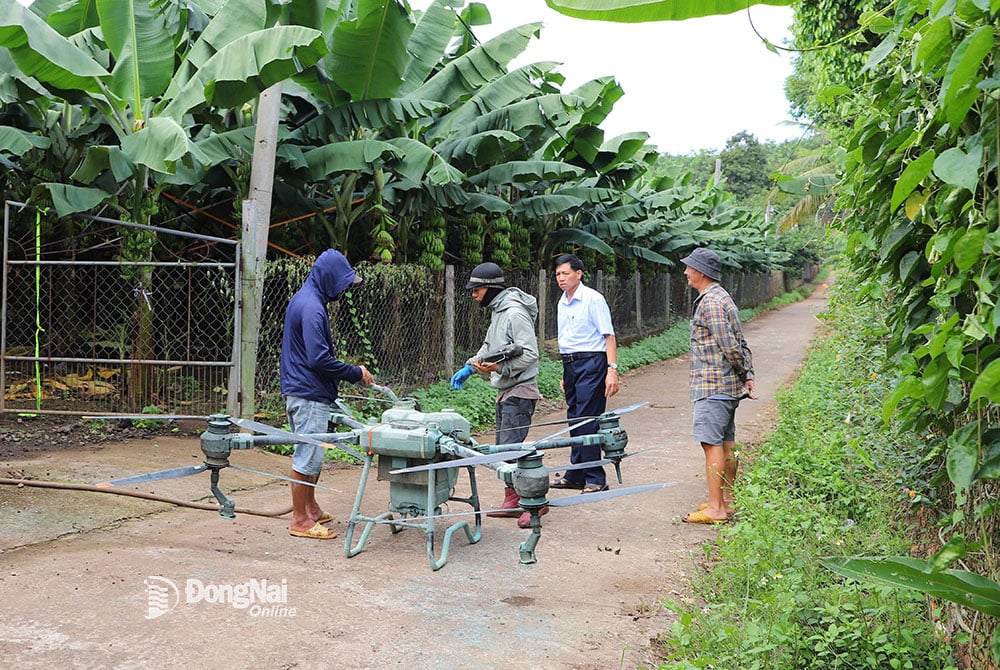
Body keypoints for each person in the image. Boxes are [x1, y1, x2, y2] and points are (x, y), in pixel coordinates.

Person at [280, 249, 374, 539]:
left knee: (315, 453)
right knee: (307, 455)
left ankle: (311, 508)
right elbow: (318, 359)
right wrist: (355, 373)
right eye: (342, 282)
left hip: (310, 390)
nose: (344, 289)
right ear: (328, 278)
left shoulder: (311, 300)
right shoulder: (312, 307)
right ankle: (300, 520)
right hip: (307, 392)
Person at [450, 262, 542, 529]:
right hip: (505, 389)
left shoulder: (514, 313)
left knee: (513, 449)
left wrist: (500, 367)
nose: (473, 295)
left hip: (521, 389)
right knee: (504, 449)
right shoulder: (498, 311)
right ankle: (512, 498)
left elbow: (530, 353)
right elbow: (490, 346)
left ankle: (536, 502)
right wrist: (470, 365)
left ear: (489, 289)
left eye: (476, 290)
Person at [680, 247, 756, 524]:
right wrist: (746, 374)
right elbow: (740, 342)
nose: (686, 272)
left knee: (711, 444)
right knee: (727, 443)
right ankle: (727, 500)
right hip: (727, 386)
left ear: (701, 271)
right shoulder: (721, 297)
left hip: (713, 385)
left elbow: (730, 346)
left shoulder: (711, 302)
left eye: (689, 267)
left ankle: (716, 508)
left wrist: (743, 370)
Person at [550, 253, 619, 494]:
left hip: (592, 362)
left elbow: (608, 336)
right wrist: (566, 372)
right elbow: (568, 339)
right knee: (574, 418)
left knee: (588, 418)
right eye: (558, 274)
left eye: (565, 273)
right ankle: (576, 473)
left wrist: (612, 370)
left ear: (578, 274)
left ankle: (595, 478)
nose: (561, 278)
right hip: (570, 364)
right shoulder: (562, 301)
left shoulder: (592, 299)